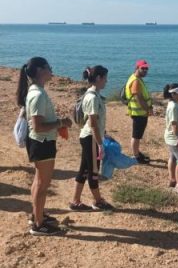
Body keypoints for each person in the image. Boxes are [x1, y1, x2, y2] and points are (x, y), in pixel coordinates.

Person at [16, 57, 72, 235]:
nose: (51, 69)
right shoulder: (38, 95)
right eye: (49, 67)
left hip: (39, 142)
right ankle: (39, 225)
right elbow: (38, 126)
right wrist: (60, 122)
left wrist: (57, 123)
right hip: (42, 142)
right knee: (42, 183)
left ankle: (36, 215)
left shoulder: (35, 91)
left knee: (38, 181)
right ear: (40, 70)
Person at [69, 66, 114, 211]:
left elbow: (97, 123)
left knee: (85, 170)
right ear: (99, 78)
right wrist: (100, 144)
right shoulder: (92, 98)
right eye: (105, 78)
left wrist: (103, 133)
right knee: (93, 172)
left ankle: (75, 201)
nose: (106, 81)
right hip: (91, 138)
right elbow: (93, 123)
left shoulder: (92, 94)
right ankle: (98, 201)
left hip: (89, 137)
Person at [125, 59, 153, 164]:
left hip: (139, 113)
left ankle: (137, 153)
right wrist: (148, 109)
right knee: (136, 136)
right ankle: (136, 156)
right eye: (143, 68)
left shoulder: (136, 78)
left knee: (138, 135)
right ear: (137, 68)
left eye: (147, 68)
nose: (145, 70)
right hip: (139, 113)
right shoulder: (136, 81)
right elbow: (139, 98)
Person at [163, 83, 178, 195]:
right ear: (173, 94)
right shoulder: (173, 106)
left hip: (172, 137)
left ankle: (173, 179)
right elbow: (174, 124)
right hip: (174, 138)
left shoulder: (174, 103)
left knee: (173, 158)